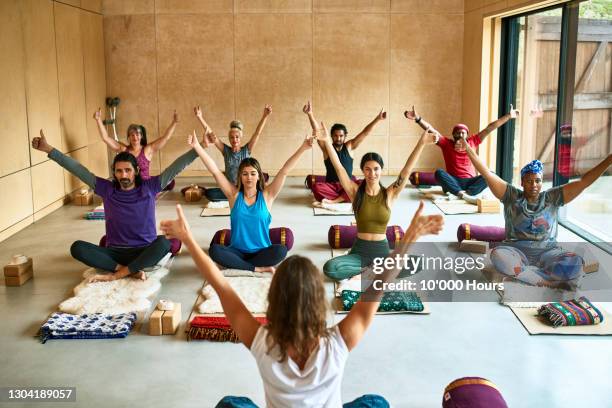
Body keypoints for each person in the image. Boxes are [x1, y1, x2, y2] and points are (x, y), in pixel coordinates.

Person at [159, 200, 443, 407]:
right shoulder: (337, 343)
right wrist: (408, 239)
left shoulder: (262, 342)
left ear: (273, 301)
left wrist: (188, 240)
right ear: (318, 302)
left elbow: (220, 284)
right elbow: (377, 287)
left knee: (231, 404)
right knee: (376, 403)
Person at [31, 129, 198, 282]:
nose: (123, 175)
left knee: (163, 243)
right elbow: (77, 169)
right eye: (119, 171)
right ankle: (128, 271)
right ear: (114, 172)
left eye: (128, 170)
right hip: (116, 252)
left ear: (136, 171)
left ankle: (120, 273)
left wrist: (199, 147)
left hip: (144, 249)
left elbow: (177, 166)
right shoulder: (107, 189)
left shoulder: (149, 187)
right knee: (77, 248)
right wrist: (48, 149)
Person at [461, 136, 612, 287]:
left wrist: (609, 160)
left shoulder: (552, 197)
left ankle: (527, 275)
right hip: (517, 251)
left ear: (541, 181)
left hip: (548, 253)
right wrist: (467, 148)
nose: (534, 185)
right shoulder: (511, 196)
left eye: (538, 180)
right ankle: (545, 281)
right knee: (497, 255)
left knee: (576, 262)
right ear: (522, 182)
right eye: (529, 181)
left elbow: (583, 182)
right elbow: (486, 173)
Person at [316, 121, 434, 281]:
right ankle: (372, 270)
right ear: (363, 171)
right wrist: (327, 143)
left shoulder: (390, 194)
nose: (372, 173)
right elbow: (339, 168)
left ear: (381, 170)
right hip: (360, 252)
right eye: (368, 169)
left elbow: (406, 172)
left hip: (383, 252)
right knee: (330, 268)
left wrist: (422, 143)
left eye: (376, 169)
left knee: (419, 263)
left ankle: (372, 271)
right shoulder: (355, 192)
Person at [189, 130, 312, 273]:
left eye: (253, 174)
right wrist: (197, 147)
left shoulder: (267, 195)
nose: (249, 178)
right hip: (237, 251)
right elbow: (215, 171)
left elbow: (284, 170)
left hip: (262, 252)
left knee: (281, 250)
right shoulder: (233, 195)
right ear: (240, 177)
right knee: (215, 250)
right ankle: (256, 269)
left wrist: (303, 148)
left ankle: (239, 265)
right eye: (245, 174)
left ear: (259, 176)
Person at [405, 105, 519, 203]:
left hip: (470, 182)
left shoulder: (473, 141)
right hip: (454, 181)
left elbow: (490, 128)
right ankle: (461, 194)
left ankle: (467, 194)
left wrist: (508, 116)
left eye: (463, 133)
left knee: (490, 174)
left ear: (467, 135)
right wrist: (418, 119)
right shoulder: (446, 143)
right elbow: (431, 130)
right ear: (453, 134)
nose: (460, 135)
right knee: (439, 173)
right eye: (457, 133)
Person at [303, 101, 386, 204]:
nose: (338, 138)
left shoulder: (350, 146)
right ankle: (346, 197)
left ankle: (336, 200)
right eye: (335, 136)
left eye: (341, 136)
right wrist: (310, 114)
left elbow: (365, 133)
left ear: (345, 136)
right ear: (331, 136)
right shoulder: (327, 149)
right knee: (316, 188)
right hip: (332, 186)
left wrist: (378, 119)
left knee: (363, 183)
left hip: (348, 185)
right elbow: (317, 131)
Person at [195, 105, 272, 201]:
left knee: (261, 191)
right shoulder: (226, 150)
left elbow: (257, 133)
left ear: (240, 138)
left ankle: (240, 194)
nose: (234, 140)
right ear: (229, 139)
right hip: (230, 187)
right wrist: (200, 117)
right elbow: (211, 134)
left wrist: (265, 116)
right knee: (211, 194)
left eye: (237, 137)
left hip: (245, 186)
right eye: (232, 137)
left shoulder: (246, 150)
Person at [93, 108, 179, 190]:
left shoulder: (147, 150)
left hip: (145, 186)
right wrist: (98, 120)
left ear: (141, 136)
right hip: (128, 185)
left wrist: (174, 122)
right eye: (132, 135)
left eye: (137, 134)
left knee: (171, 182)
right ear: (128, 137)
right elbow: (106, 138)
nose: (135, 137)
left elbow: (165, 138)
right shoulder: (123, 149)